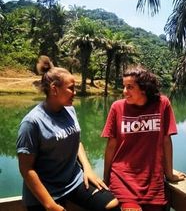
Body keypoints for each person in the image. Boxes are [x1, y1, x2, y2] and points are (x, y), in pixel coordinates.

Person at [16, 55, 120, 211]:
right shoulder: (32, 122)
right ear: (54, 89)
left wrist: (88, 169)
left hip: (74, 180)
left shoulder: (70, 110)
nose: (75, 92)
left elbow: (76, 141)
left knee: (112, 205)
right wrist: (50, 205)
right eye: (71, 88)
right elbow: (26, 169)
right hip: (45, 191)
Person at [101, 65, 186, 211]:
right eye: (124, 86)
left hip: (153, 182)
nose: (124, 92)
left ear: (144, 89)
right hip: (123, 179)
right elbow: (111, 146)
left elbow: (166, 141)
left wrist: (169, 174)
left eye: (130, 87)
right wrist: (106, 178)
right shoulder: (117, 107)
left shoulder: (162, 104)